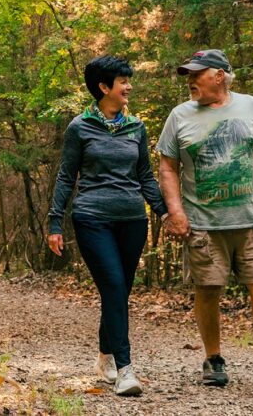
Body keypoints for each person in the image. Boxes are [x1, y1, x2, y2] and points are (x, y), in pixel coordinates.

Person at [157, 48, 253, 388]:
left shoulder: (251, 106)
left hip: (251, 219)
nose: (191, 81)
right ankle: (213, 359)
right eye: (188, 75)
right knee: (207, 289)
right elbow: (167, 166)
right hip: (204, 224)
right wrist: (175, 212)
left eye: (197, 74)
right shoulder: (179, 116)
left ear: (220, 75)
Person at [47, 55, 168, 397]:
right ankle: (125, 370)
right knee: (114, 285)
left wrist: (163, 212)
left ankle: (104, 358)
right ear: (104, 87)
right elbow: (66, 176)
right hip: (91, 218)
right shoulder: (80, 127)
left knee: (119, 291)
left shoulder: (136, 127)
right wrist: (55, 221)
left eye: (129, 80)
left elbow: (144, 175)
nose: (129, 86)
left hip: (132, 219)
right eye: (123, 81)